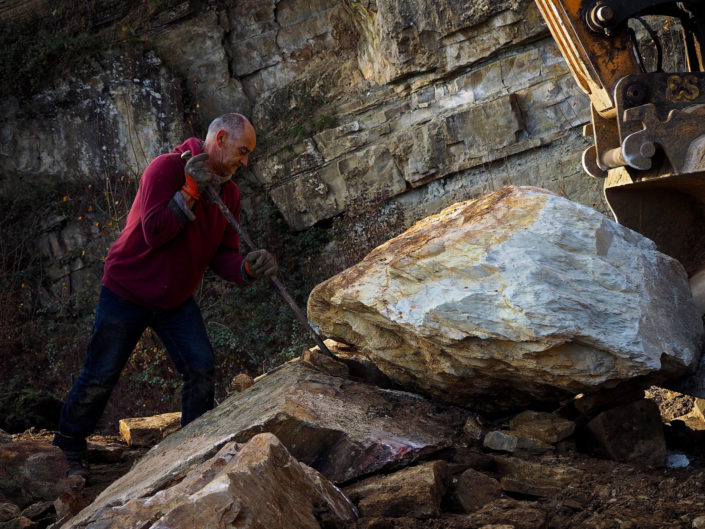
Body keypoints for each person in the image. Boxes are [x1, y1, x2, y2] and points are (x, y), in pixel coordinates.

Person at [52, 113, 277, 479]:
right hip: (128, 289)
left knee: (200, 367)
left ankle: (193, 449)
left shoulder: (229, 193)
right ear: (219, 139)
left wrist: (248, 269)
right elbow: (155, 232)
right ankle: (66, 451)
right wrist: (189, 190)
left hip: (174, 299)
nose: (246, 161)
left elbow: (223, 256)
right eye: (242, 151)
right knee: (101, 374)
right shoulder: (165, 169)